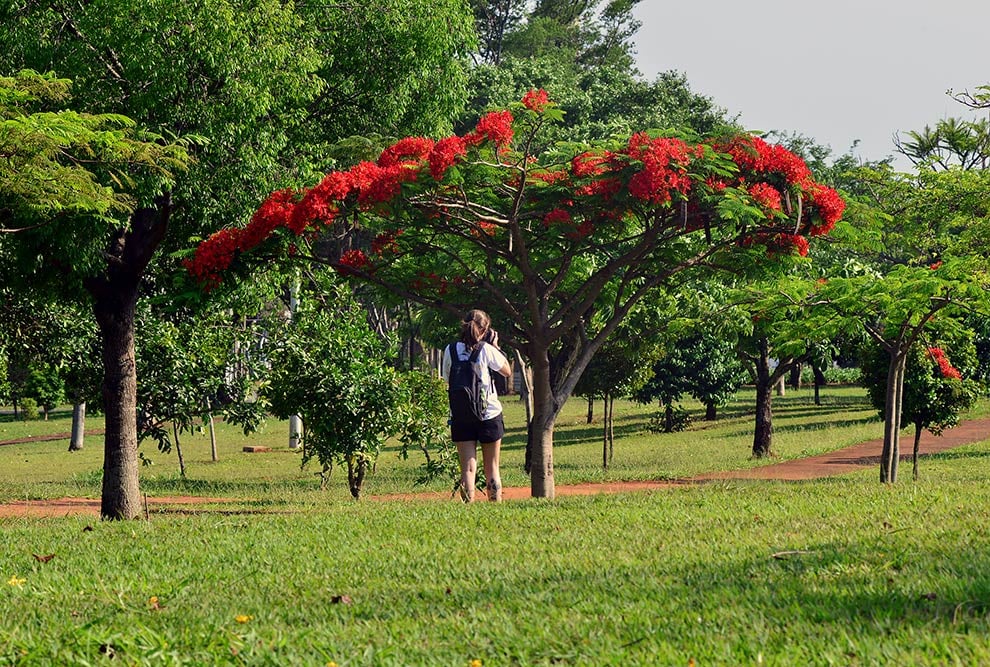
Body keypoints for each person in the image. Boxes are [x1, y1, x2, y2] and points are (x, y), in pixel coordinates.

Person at [441, 309, 512, 502]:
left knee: (467, 468)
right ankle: (494, 507)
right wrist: (495, 346)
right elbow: (506, 371)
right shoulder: (486, 349)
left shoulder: (450, 350)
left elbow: (446, 378)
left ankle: (467, 508)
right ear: (484, 330)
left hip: (461, 415)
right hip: (488, 414)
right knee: (492, 467)